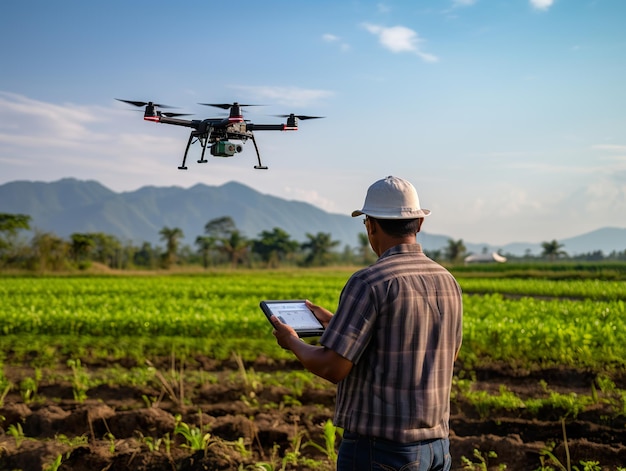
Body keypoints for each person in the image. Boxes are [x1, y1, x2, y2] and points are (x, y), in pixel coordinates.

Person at [271, 175, 463, 471]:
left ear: (370, 225)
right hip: (437, 447)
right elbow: (444, 352)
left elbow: (332, 367)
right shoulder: (447, 280)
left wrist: (292, 341)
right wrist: (338, 325)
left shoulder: (370, 281)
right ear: (419, 224)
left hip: (381, 451)